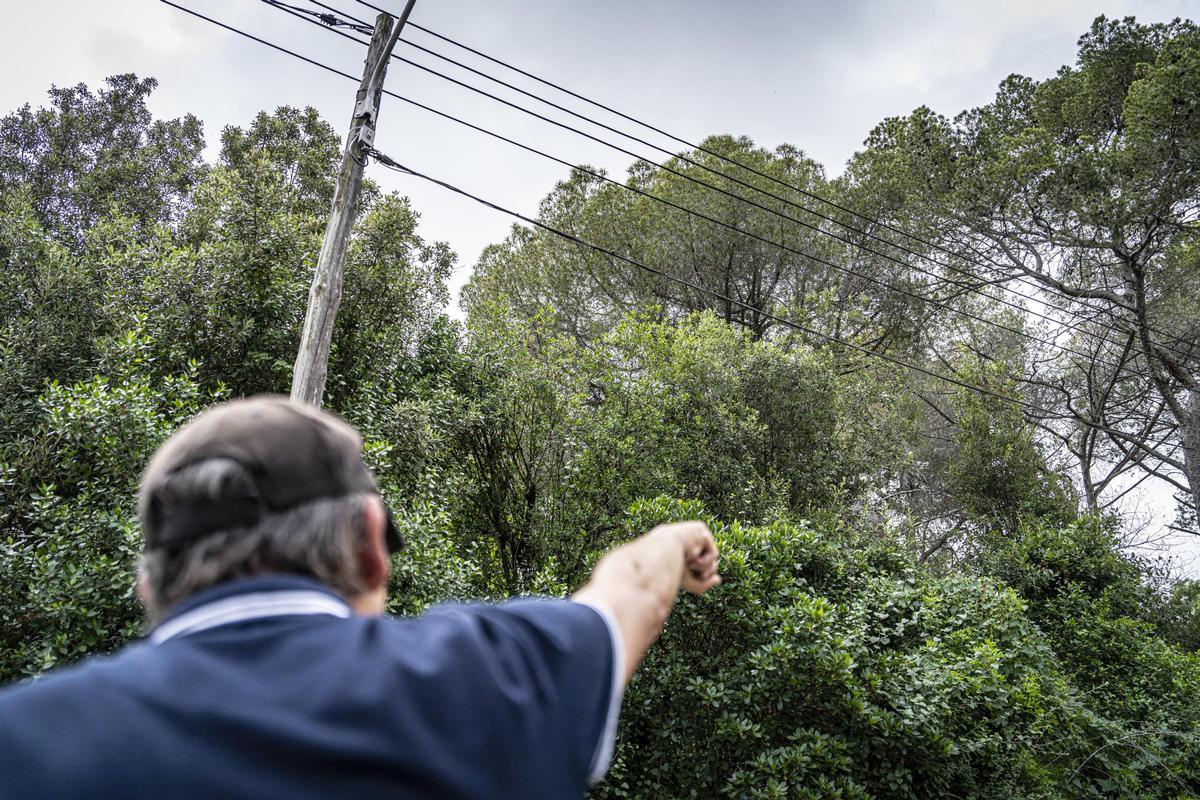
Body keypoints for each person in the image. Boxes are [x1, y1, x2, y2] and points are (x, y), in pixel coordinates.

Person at [0, 396, 720, 799]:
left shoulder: (21, 739)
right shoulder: (483, 681)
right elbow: (632, 595)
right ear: (371, 545)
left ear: (150, 586)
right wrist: (678, 536)